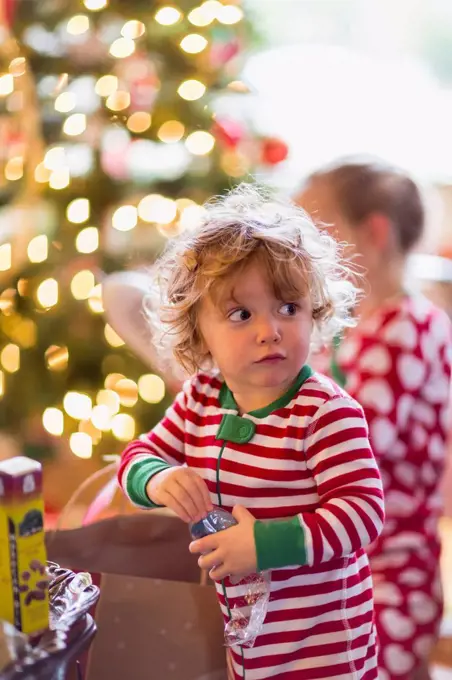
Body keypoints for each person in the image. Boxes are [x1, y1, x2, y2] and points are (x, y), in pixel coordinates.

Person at [116, 183, 385, 679]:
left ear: (315, 312)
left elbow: (363, 513)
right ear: (199, 334)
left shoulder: (324, 412)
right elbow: (139, 454)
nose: (270, 330)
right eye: (241, 314)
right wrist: (156, 478)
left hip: (324, 649)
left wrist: (265, 543)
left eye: (289, 308)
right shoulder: (201, 395)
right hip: (248, 642)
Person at [297, 157, 452, 680]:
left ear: (375, 232)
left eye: (316, 230)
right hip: (337, 562)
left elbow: (348, 448)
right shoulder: (352, 332)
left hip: (384, 577)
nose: (300, 250)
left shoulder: (409, 328)